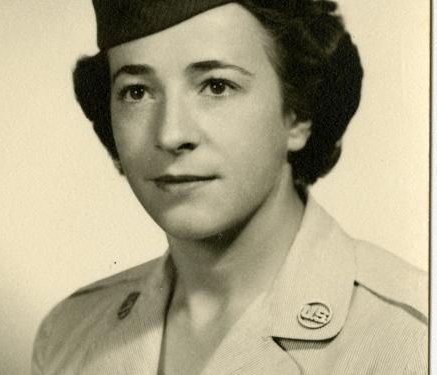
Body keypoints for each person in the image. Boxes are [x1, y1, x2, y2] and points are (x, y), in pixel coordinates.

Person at [32, 1, 428, 374]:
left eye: (216, 86)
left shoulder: (415, 341)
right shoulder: (69, 337)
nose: (171, 134)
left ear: (298, 115)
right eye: (137, 91)